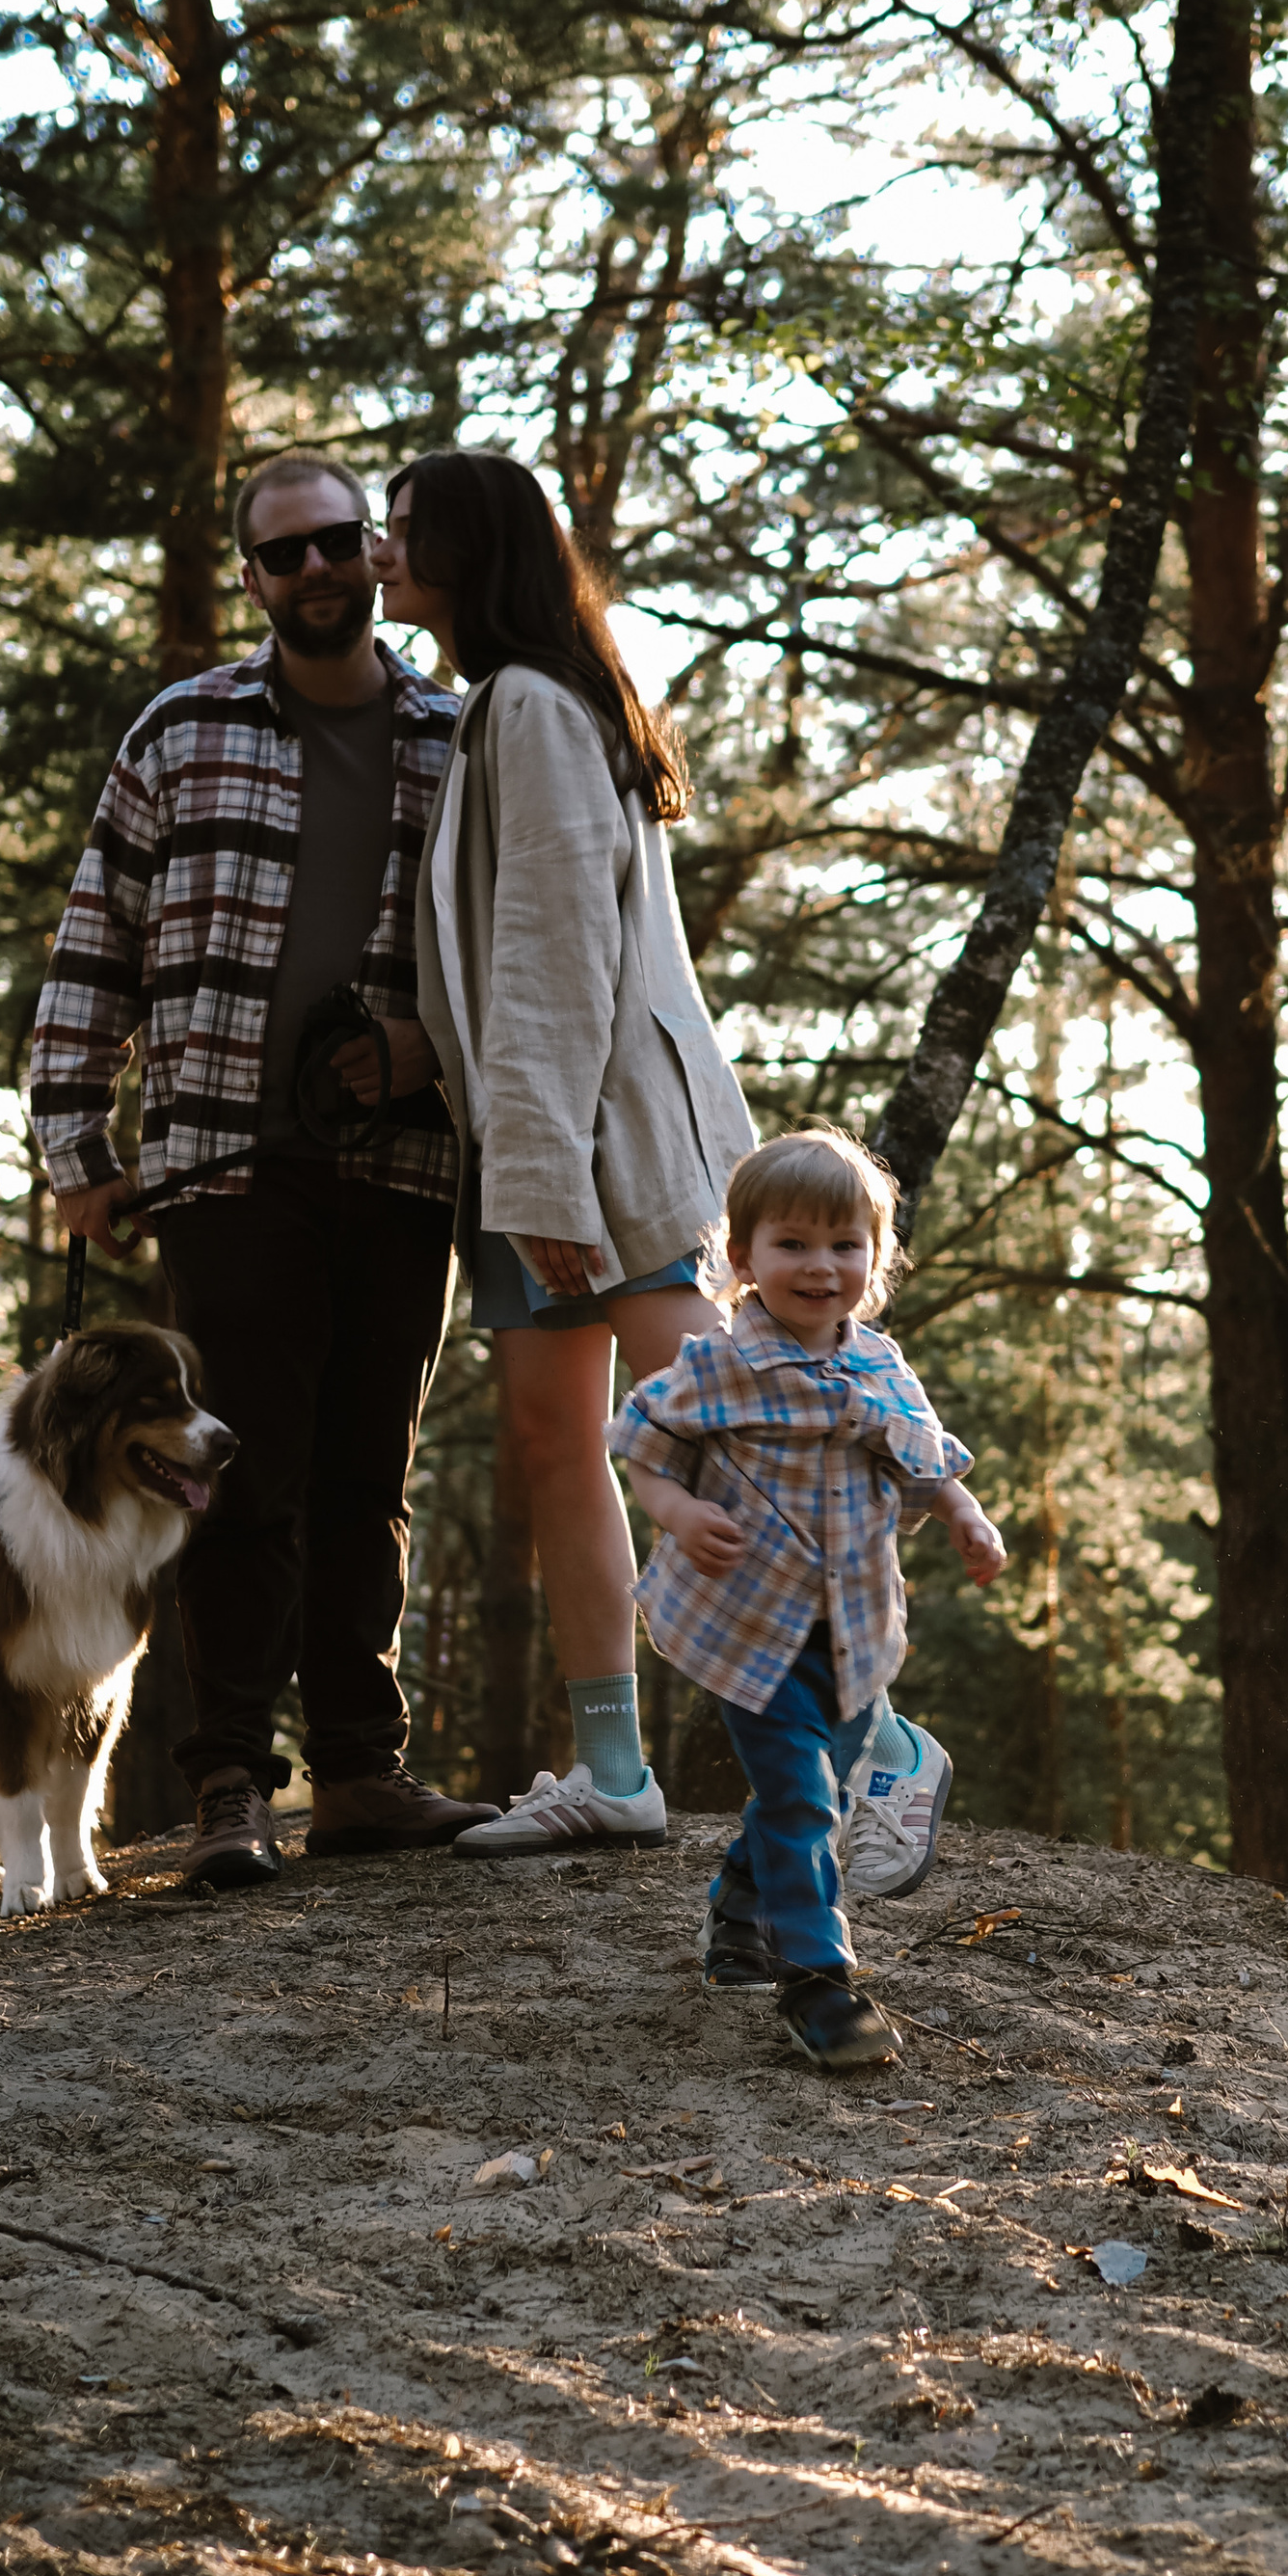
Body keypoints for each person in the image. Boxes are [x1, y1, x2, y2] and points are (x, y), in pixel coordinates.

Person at [30, 446, 496, 1888]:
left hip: (402, 1164)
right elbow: (93, 938)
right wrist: (75, 1141)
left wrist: (423, 1045)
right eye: (282, 553)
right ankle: (230, 1780)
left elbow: (505, 941)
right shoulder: (182, 730)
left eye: (338, 544)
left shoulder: (459, 737)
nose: (314, 571)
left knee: (369, 1476)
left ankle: (362, 1772)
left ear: (378, 554)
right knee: (237, 1474)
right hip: (223, 1165)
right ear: (250, 576)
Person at [374, 449, 757, 1856]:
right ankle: (615, 1771)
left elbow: (555, 956)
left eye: (403, 532)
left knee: (729, 1446)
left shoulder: (531, 706)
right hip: (541, 1145)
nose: (377, 553)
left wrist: (537, 1177)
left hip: (604, 1148)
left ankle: (885, 1746)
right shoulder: (508, 704)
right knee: (558, 1446)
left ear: (472, 551)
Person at [605, 1127, 1006, 2070]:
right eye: (791, 1244)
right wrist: (676, 1509)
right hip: (753, 1634)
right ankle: (818, 1980)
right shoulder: (716, 1364)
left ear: (874, 1261)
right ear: (741, 1258)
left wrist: (964, 1515)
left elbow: (925, 1453)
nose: (819, 1266)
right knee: (797, 1797)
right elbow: (643, 1445)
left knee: (809, 1790)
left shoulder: (878, 1364)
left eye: (843, 1245)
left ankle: (737, 1918)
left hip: (855, 1631)